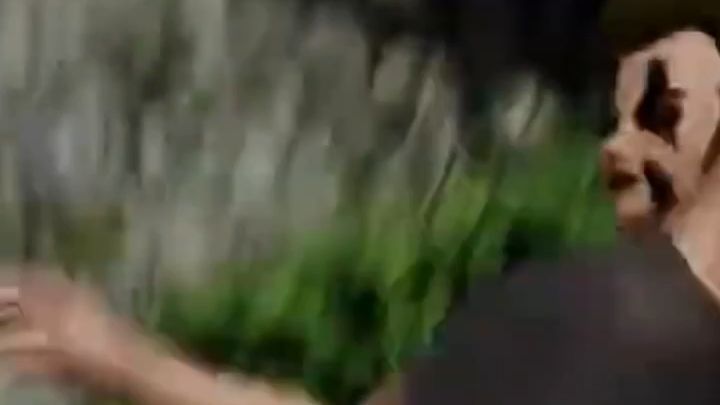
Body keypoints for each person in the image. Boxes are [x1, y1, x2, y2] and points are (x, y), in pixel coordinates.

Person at [4, 21, 720, 405]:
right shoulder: (577, 314)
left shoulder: (593, 314)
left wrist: (123, 359)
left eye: (661, 109)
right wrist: (122, 358)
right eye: (619, 115)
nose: (614, 146)